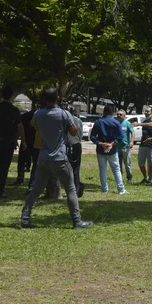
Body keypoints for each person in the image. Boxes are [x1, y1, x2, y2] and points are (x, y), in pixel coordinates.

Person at [19, 87, 92, 229]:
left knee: (36, 190)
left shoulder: (38, 114)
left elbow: (35, 126)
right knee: (70, 189)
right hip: (60, 157)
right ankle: (77, 221)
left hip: (43, 157)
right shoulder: (64, 114)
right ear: (58, 98)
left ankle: (25, 218)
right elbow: (73, 131)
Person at [0, 85, 26, 198]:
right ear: (11, 96)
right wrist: (23, 141)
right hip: (9, 140)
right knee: (4, 166)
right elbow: (20, 127)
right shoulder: (14, 110)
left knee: (1, 164)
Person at [90, 105, 128, 194]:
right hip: (112, 149)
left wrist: (101, 143)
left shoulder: (98, 122)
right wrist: (112, 144)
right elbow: (121, 136)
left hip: (100, 149)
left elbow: (92, 137)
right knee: (116, 169)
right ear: (112, 113)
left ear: (103, 111)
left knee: (102, 169)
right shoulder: (116, 123)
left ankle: (104, 189)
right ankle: (121, 189)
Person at [14, 103, 37, 186]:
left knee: (21, 161)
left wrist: (18, 139)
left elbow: (19, 128)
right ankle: (34, 181)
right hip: (36, 141)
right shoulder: (40, 116)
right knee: (36, 162)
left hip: (26, 139)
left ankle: (20, 179)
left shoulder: (25, 116)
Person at [67, 109, 85, 197]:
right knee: (76, 169)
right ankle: (77, 188)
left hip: (68, 145)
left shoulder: (65, 121)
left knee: (68, 169)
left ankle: (73, 188)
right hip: (77, 145)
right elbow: (81, 134)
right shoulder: (78, 120)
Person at [137, 108, 152, 185]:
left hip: (151, 145)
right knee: (141, 163)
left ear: (151, 112)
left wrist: (139, 124)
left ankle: (150, 180)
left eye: (148, 111)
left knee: (151, 163)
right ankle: (145, 177)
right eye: (145, 111)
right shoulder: (144, 121)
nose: (146, 112)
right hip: (143, 144)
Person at [116, 110, 135, 183]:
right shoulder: (116, 123)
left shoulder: (128, 123)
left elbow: (132, 132)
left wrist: (132, 141)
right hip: (117, 146)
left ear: (124, 115)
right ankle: (119, 178)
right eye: (117, 114)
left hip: (126, 147)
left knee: (127, 163)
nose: (118, 115)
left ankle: (129, 178)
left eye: (120, 114)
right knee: (118, 164)